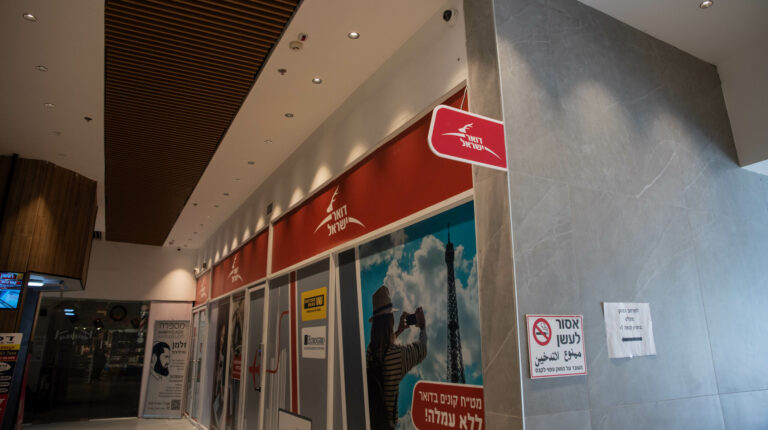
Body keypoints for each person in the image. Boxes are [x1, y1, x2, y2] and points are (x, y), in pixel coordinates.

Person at [367, 285, 427, 430]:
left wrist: (399, 331)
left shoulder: (370, 351)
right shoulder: (397, 356)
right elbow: (422, 349)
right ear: (391, 320)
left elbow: (383, 347)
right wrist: (423, 327)